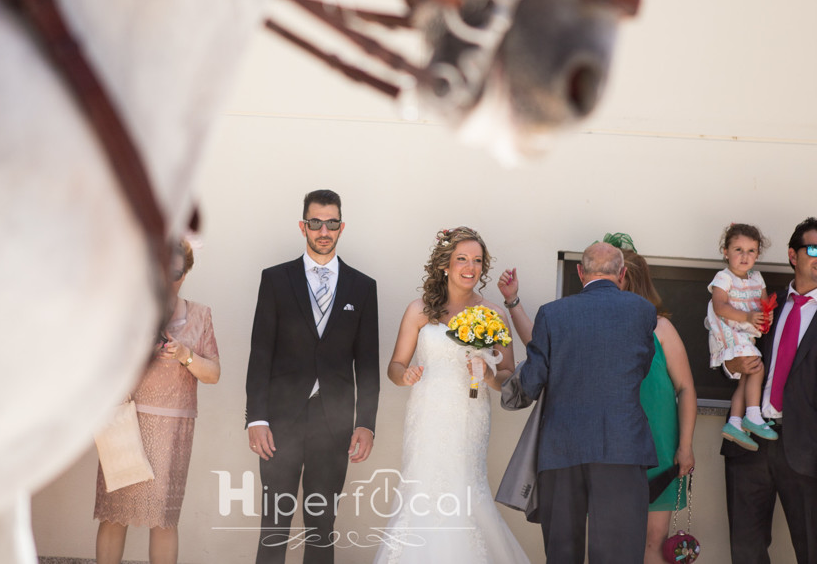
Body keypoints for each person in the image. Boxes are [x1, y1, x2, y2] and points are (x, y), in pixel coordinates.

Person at [373, 227, 531, 564]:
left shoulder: (493, 314)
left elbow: (508, 378)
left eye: (477, 260)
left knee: (464, 487)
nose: (470, 267)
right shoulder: (419, 310)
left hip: (469, 417)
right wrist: (406, 375)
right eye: (462, 259)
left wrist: (487, 374)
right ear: (445, 264)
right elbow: (395, 366)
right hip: (427, 415)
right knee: (422, 487)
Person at [722, 217, 817, 564]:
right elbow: (730, 350)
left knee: (815, 552)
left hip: (810, 454)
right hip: (749, 442)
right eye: (816, 249)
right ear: (793, 255)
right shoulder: (760, 304)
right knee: (746, 552)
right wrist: (731, 367)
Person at [245, 189, 379, 564]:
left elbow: (367, 363)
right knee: (274, 524)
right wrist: (256, 417)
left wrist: (366, 423)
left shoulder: (362, 287)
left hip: (333, 421)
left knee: (322, 526)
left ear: (341, 226)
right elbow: (260, 354)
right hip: (280, 421)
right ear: (303, 225)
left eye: (331, 223)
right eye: (316, 222)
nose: (324, 230)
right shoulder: (275, 280)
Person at [512, 241, 657, 564]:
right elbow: (642, 367)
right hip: (622, 445)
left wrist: (501, 380)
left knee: (563, 552)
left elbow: (532, 382)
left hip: (562, 448)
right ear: (621, 273)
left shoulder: (552, 313)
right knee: (619, 554)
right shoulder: (643, 311)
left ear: (580, 272)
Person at [94, 239, 221, 564]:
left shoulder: (201, 315)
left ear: (186, 273)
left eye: (177, 272)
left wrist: (186, 355)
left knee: (165, 518)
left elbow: (213, 374)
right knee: (114, 515)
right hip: (127, 424)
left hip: (174, 428)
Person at [621, 249, 697, 564]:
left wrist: (685, 447)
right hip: (614, 451)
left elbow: (686, 388)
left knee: (655, 541)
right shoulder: (599, 325)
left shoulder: (660, 328)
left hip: (660, 452)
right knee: (617, 540)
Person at [706, 224, 776, 450]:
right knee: (757, 367)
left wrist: (767, 317)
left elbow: (764, 305)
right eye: (738, 250)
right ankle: (753, 415)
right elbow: (719, 307)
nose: (745, 256)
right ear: (726, 252)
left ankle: (734, 423)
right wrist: (747, 316)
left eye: (751, 251)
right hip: (728, 333)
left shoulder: (757, 278)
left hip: (746, 336)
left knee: (746, 379)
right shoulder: (723, 277)